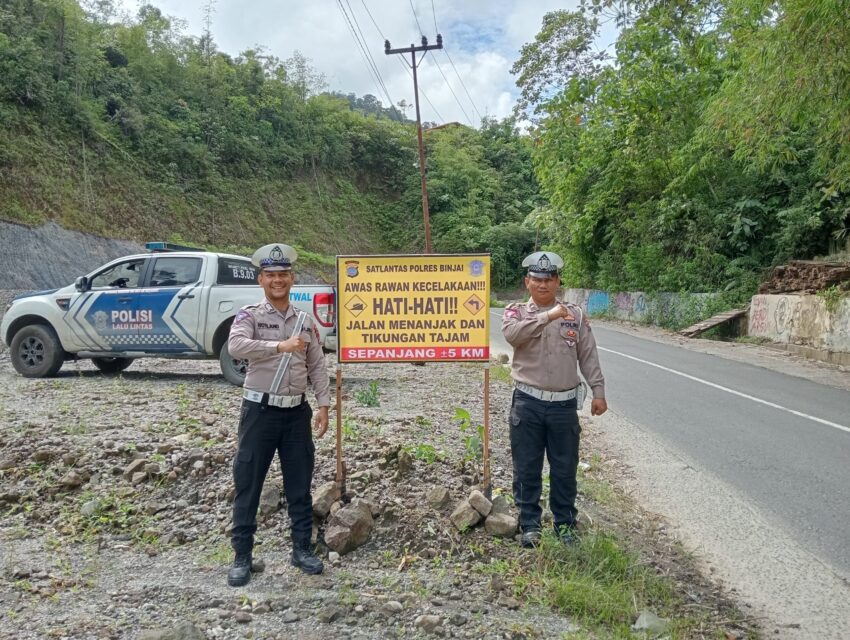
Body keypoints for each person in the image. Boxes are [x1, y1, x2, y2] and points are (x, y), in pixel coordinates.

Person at [226, 243, 331, 586]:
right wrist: (278, 346)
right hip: (259, 412)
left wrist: (324, 406)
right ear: (261, 279)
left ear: (292, 278)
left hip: (296, 413)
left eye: (283, 275)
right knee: (249, 483)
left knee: (299, 484)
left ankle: (302, 549)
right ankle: (242, 555)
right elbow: (236, 346)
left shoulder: (304, 320)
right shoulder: (250, 315)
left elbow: (317, 364)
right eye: (271, 275)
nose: (277, 280)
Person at [501, 251, 608, 547]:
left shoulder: (576, 315)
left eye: (549, 279)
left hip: (563, 406)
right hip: (527, 402)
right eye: (537, 279)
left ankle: (564, 525)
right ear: (527, 282)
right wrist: (548, 315)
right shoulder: (515, 312)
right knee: (527, 466)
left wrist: (598, 391)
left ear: (558, 281)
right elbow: (513, 336)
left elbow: (588, 355)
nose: (543, 284)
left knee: (564, 468)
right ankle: (530, 524)